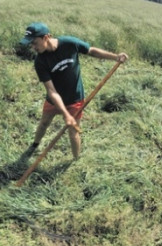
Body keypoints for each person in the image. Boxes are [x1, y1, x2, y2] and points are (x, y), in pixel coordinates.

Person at [20, 22, 128, 159]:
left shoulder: (69, 43)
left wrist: (115, 57)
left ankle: (76, 159)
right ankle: (35, 144)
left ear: (46, 37)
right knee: (44, 123)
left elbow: (91, 51)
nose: (33, 47)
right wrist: (65, 113)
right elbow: (51, 91)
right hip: (54, 100)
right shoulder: (40, 62)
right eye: (30, 44)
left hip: (75, 99)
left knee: (73, 132)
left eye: (34, 43)